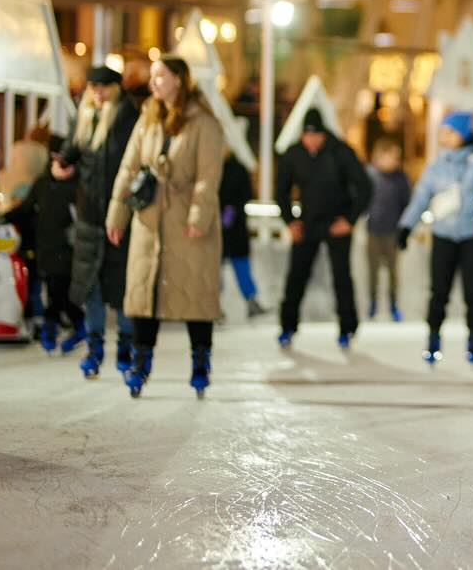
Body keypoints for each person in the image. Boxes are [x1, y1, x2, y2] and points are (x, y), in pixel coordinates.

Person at [106, 56, 225, 398]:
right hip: (149, 218)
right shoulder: (148, 118)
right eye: (153, 76)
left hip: (186, 219)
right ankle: (141, 363)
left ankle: (200, 362)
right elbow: (129, 168)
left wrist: (198, 217)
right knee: (146, 293)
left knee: (195, 294)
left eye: (160, 75)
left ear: (178, 79)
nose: (154, 81)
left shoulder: (203, 123)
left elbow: (207, 176)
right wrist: (118, 214)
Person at [66, 63, 141, 378]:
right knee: (91, 287)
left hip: (119, 218)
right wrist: (61, 166)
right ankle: (94, 347)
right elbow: (73, 153)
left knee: (120, 285)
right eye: (92, 87)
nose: (96, 93)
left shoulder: (128, 120)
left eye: (102, 87)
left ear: (115, 88)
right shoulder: (85, 118)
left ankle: (126, 345)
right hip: (89, 218)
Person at [275, 106, 372, 349]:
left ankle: (347, 327)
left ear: (323, 135)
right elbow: (281, 191)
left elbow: (364, 187)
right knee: (297, 274)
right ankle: (287, 325)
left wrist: (349, 220)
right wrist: (290, 221)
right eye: (307, 137)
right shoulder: (294, 155)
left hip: (337, 221)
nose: (312, 142)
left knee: (341, 276)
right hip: (308, 222)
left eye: (316, 136)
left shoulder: (340, 152)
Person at [399, 112, 473, 364]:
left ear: (463, 134)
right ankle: (433, 337)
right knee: (439, 290)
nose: (443, 137)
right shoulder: (436, 166)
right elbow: (421, 197)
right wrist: (406, 226)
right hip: (443, 236)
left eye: (449, 132)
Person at [1, 139, 83, 355]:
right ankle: (72, 327)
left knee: (60, 294)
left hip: (69, 252)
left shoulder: (78, 187)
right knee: (58, 295)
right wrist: (2, 218)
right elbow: (26, 209)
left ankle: (56, 329)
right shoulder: (43, 184)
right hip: (46, 249)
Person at [365, 139, 411, 322]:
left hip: (393, 231)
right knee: (373, 270)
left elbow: (407, 202)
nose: (395, 161)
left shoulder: (400, 178)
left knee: (393, 271)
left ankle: (393, 304)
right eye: (392, 157)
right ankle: (372, 304)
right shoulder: (370, 175)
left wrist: (404, 226)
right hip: (373, 230)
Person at [219, 147, 266, 318]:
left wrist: (231, 211)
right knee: (215, 269)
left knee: (241, 266)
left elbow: (245, 194)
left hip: (235, 228)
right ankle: (215, 303)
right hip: (217, 228)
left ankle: (250, 299)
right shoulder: (212, 167)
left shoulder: (237, 169)